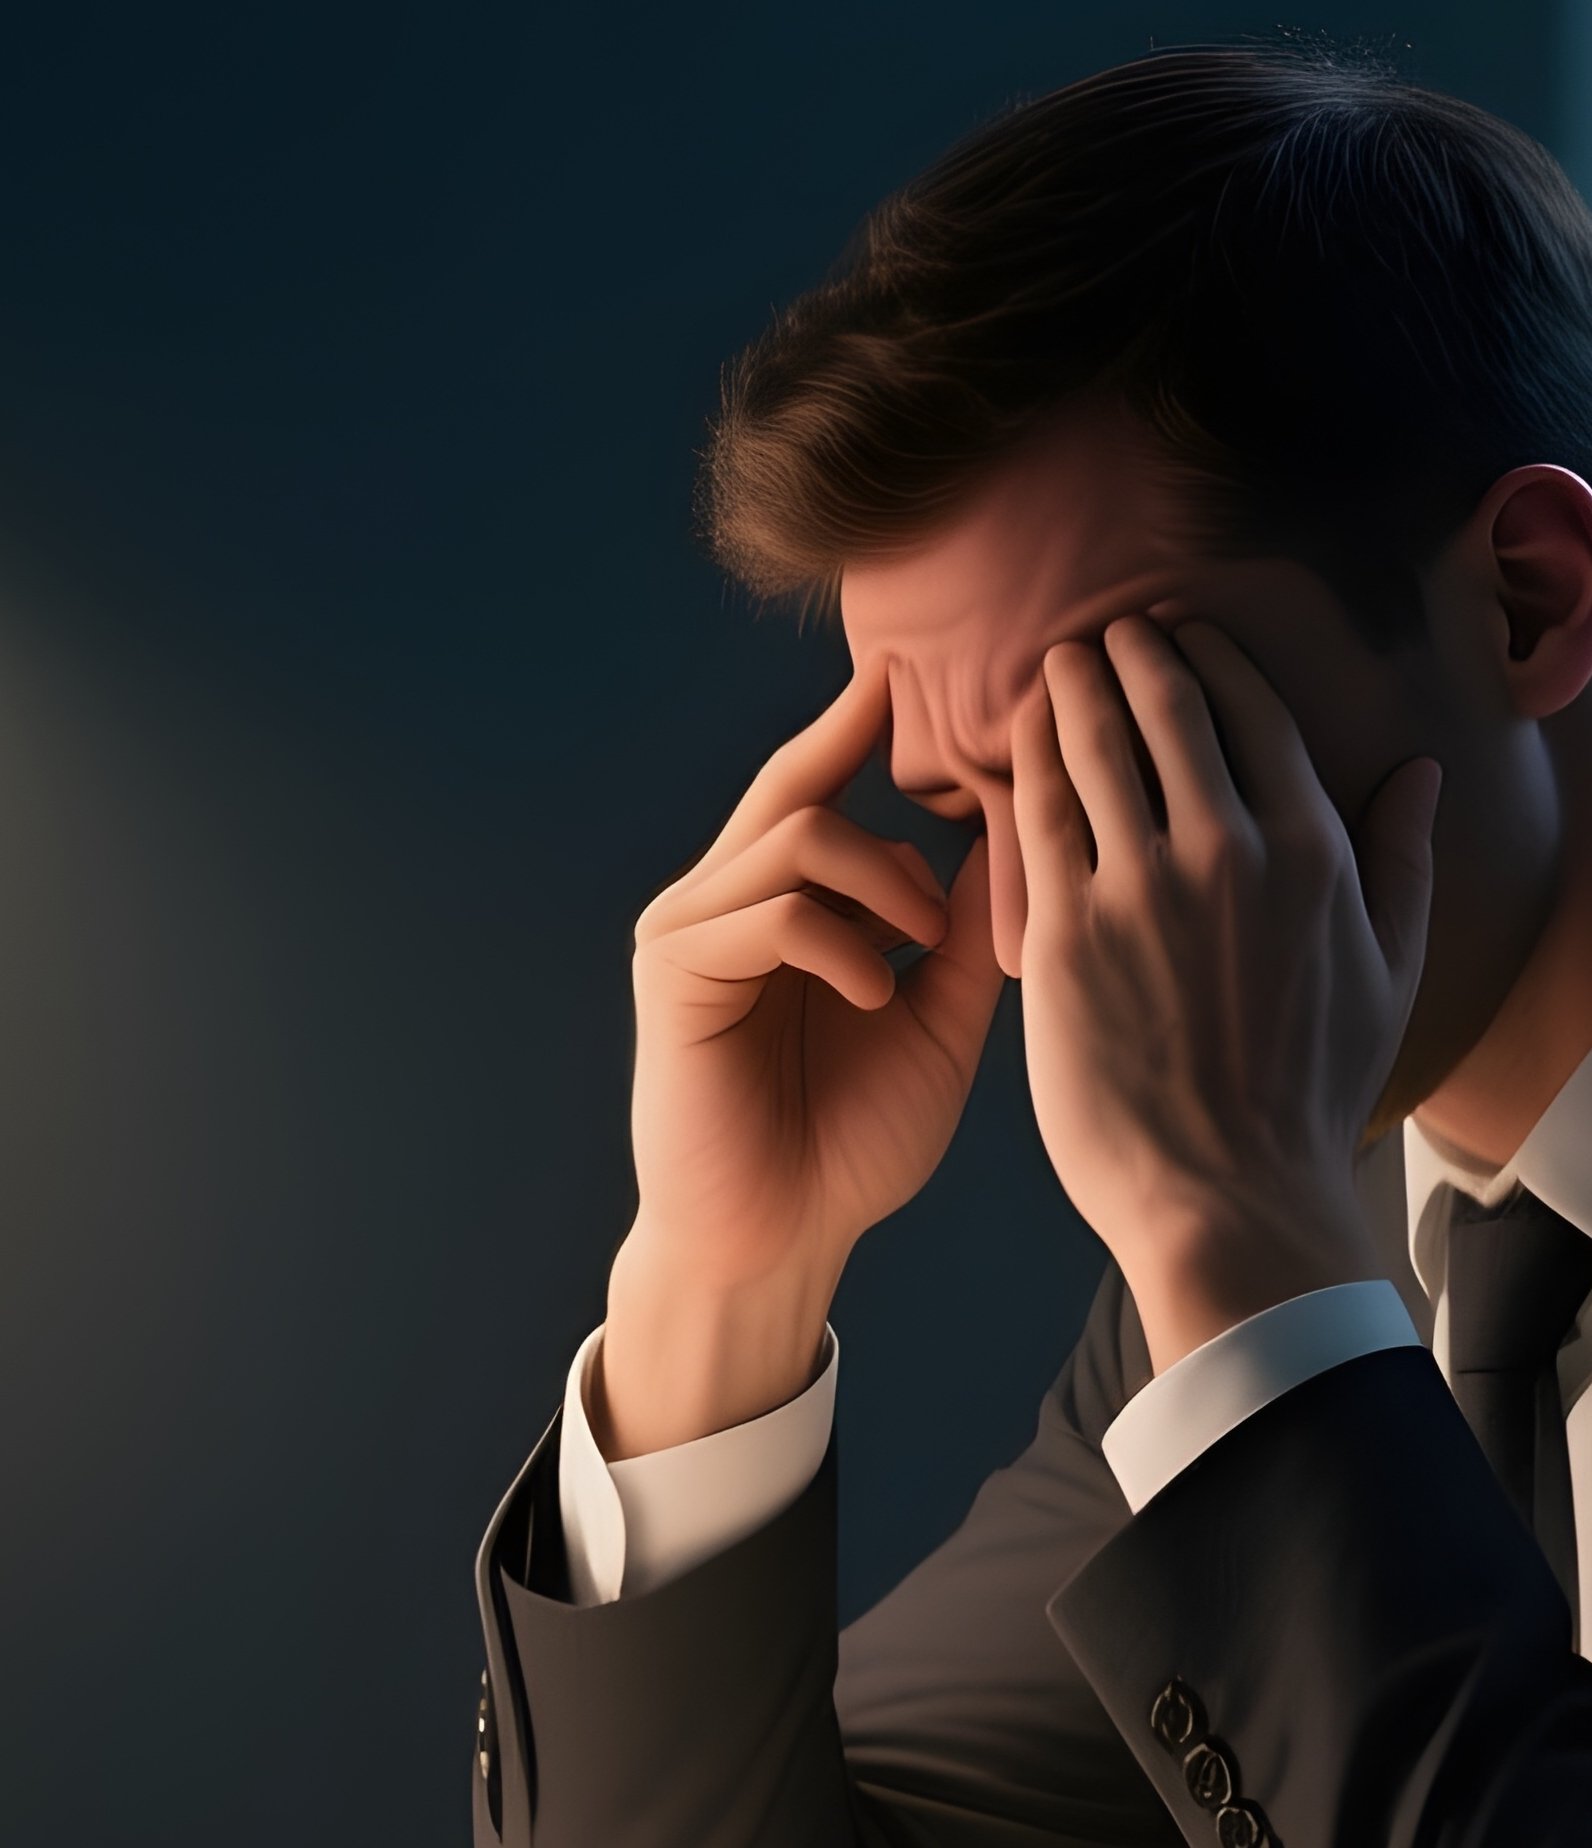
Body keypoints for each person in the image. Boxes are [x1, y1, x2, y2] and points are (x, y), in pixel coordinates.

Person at [469, 38, 1592, 1845]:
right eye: (978, 805)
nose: (1047, 922)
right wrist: (724, 1284)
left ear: (1526, 603)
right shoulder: (1287, 1262)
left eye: (1126, 756)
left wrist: (1238, 1237)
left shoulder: (1255, 1246)